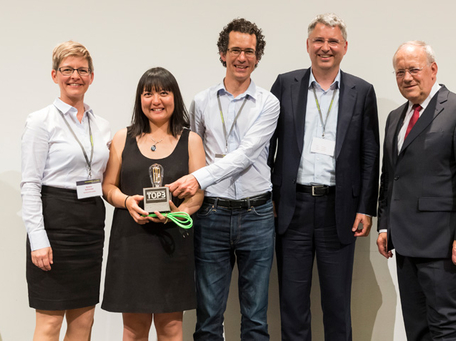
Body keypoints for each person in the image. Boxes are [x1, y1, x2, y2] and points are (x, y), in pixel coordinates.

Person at [268, 13, 380, 341]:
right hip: (293, 208)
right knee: (291, 302)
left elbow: (370, 155)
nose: (325, 47)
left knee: (337, 302)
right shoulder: (285, 84)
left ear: (345, 47)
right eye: (319, 40)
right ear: (307, 45)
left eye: (333, 41)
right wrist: (271, 196)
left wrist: (365, 207)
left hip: (339, 211)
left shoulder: (362, 91)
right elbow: (267, 144)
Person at [167, 18, 280, 341]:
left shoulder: (269, 104)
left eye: (249, 51)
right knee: (208, 318)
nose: (242, 57)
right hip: (211, 215)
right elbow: (193, 151)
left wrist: (198, 178)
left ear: (257, 57)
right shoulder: (201, 101)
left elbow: (245, 155)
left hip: (257, 215)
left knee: (256, 318)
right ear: (222, 53)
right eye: (235, 50)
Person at [376, 41, 456, 340]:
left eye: (414, 69)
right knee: (416, 328)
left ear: (433, 69)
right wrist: (385, 225)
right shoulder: (395, 117)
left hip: (445, 244)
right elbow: (391, 177)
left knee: (446, 326)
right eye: (399, 72)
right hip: (404, 242)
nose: (407, 77)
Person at [101, 67, 205, 341]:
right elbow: (108, 187)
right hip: (131, 243)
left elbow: (197, 195)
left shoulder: (191, 140)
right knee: (133, 330)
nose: (156, 100)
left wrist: (176, 215)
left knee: (170, 329)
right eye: (148, 93)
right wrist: (127, 202)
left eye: (163, 92)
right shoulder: (123, 138)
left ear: (175, 97)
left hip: (172, 244)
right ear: (140, 99)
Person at [21, 41, 111, 341]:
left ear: (92, 76)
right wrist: (38, 239)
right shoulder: (40, 121)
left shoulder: (101, 125)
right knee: (49, 324)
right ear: (54, 75)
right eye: (68, 69)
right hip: (55, 224)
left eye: (82, 70)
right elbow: (30, 184)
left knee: (84, 321)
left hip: (89, 226)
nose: (75, 76)